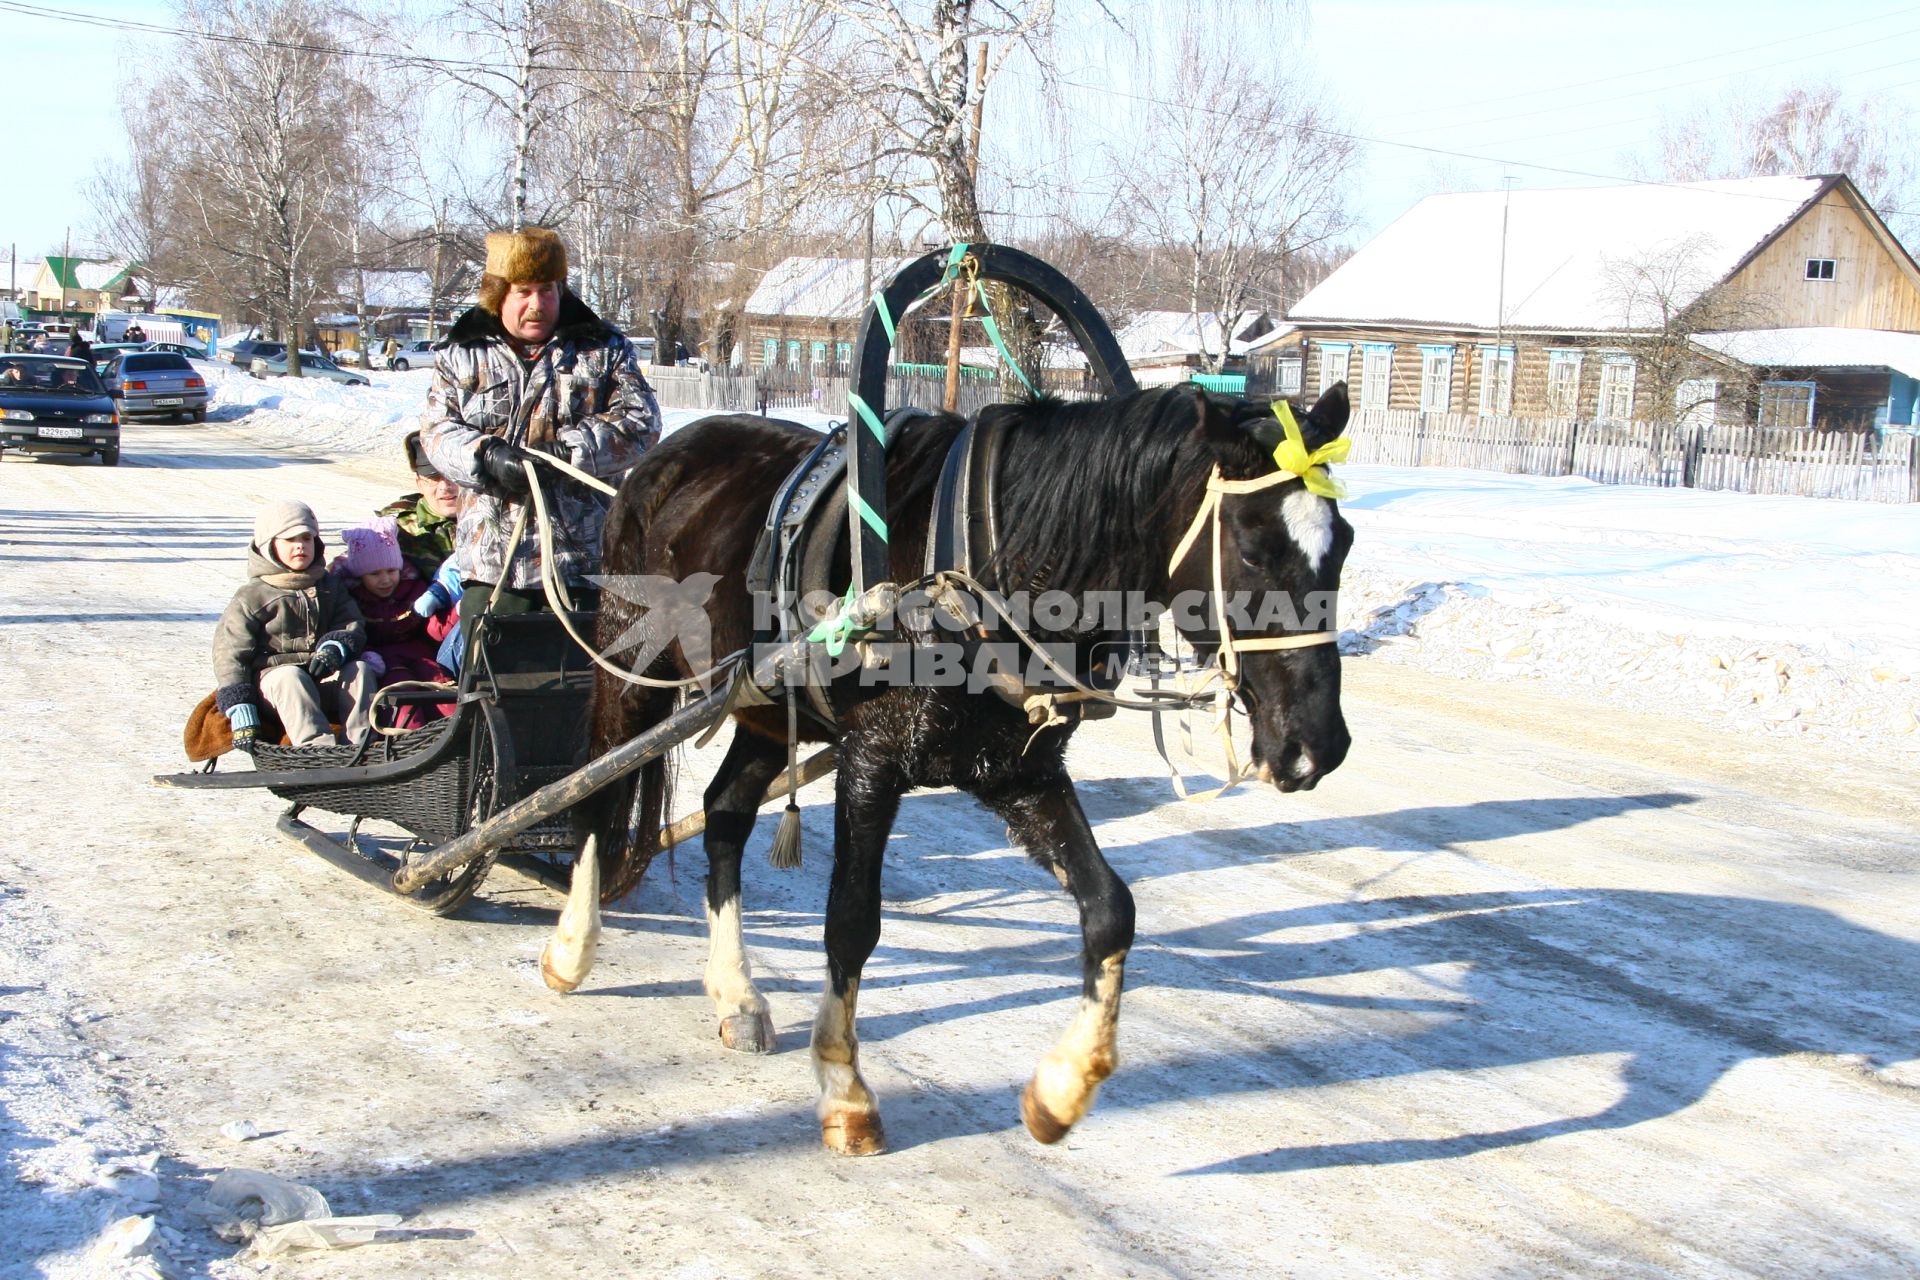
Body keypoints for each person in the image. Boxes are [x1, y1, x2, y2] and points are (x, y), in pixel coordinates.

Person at [420, 225, 659, 662]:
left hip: (585, 567)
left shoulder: (603, 348)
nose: (537, 304)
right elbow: (436, 433)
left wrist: (569, 451)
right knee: (488, 697)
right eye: (523, 291)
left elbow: (641, 423)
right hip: (494, 568)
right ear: (498, 294)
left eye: (547, 290)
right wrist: (486, 455)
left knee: (587, 701)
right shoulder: (461, 353)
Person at [212, 500, 376, 749]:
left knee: (361, 670)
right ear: (269, 546)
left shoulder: (329, 585)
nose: (300, 546)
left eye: (306, 538)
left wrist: (335, 647)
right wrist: (240, 706)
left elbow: (349, 622)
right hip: (275, 688)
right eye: (290, 540)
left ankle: (360, 745)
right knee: (290, 676)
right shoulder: (252, 596)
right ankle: (317, 749)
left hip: (321, 681)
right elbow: (230, 654)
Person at [331, 517, 455, 731]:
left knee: (441, 692)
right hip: (385, 663)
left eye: (391, 571)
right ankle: (410, 739)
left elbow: (433, 628)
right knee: (402, 697)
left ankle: (458, 732)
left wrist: (455, 614)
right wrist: (366, 654)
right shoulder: (354, 599)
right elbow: (352, 632)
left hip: (422, 658)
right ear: (361, 576)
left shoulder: (414, 590)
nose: (385, 580)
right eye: (375, 574)